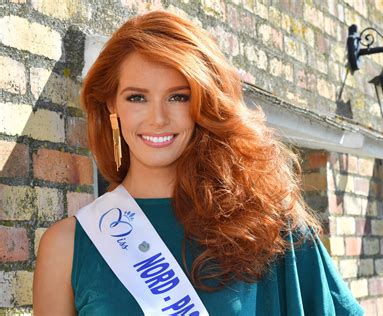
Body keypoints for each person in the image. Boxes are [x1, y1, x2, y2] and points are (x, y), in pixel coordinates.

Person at [33, 9, 364, 316]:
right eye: (137, 97)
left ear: (204, 103)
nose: (158, 118)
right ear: (111, 105)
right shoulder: (67, 246)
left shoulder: (267, 224)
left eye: (179, 96)